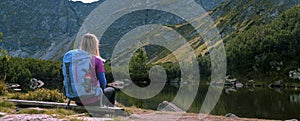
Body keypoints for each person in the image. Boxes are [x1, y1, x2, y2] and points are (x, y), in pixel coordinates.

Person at [77, 33, 115, 107]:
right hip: (92, 100)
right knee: (111, 90)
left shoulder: (76, 59)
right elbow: (103, 83)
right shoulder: (97, 60)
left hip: (77, 99)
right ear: (95, 45)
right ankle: (109, 113)